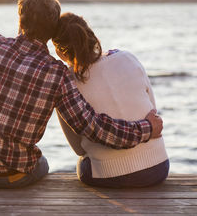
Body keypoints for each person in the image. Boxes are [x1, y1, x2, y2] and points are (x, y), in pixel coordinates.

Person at [0, 0, 163, 189]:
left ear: (20, 22)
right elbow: (93, 128)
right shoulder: (56, 74)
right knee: (42, 164)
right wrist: (145, 128)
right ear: (51, 33)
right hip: (11, 177)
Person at [53, 12, 169, 188]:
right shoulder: (128, 57)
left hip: (108, 176)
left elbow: (79, 149)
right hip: (158, 168)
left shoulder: (66, 83)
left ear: (59, 52)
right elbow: (153, 112)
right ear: (91, 35)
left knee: (82, 163)